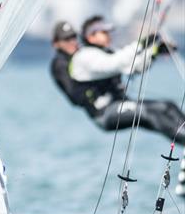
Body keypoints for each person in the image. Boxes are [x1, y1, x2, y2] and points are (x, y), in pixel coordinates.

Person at [68, 15, 184, 146]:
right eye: (104, 32)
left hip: (121, 104)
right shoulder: (84, 56)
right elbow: (114, 63)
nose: (108, 35)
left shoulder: (106, 52)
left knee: (167, 106)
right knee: (146, 112)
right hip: (105, 113)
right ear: (91, 36)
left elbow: (133, 67)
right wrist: (141, 44)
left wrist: (154, 53)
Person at [49, 21, 81, 105]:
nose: (72, 42)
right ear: (56, 43)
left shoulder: (80, 55)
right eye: (67, 39)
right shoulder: (59, 64)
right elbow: (74, 95)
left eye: (73, 37)